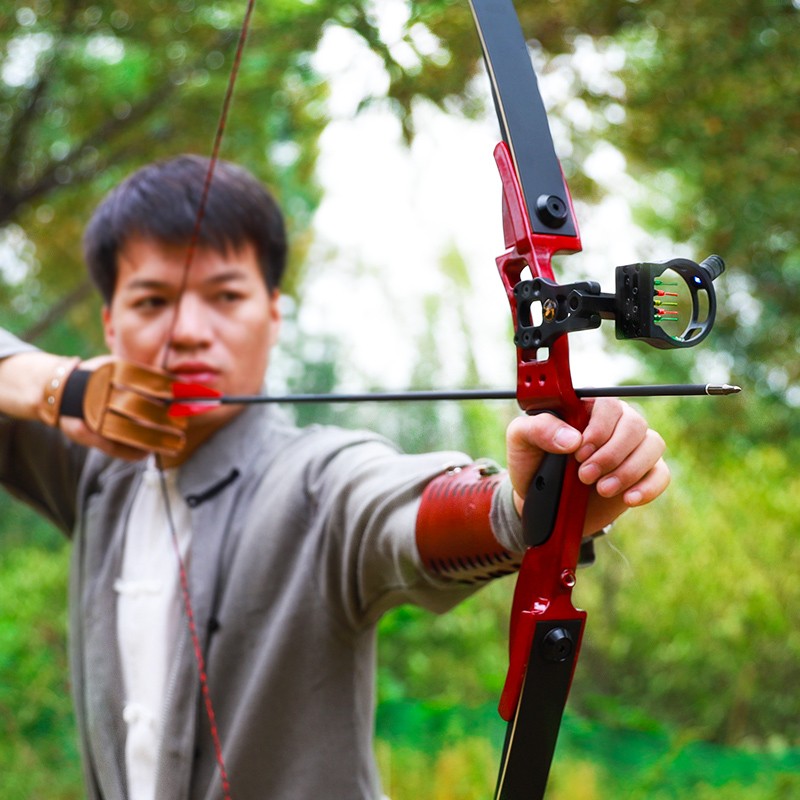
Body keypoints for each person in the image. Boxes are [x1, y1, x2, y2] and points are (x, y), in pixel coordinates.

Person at [0, 155, 669, 800]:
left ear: (273, 315)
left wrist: (533, 502)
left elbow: (414, 511)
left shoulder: (315, 481)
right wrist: (44, 381)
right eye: (151, 302)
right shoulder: (90, 464)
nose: (189, 333)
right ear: (110, 325)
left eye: (225, 295)